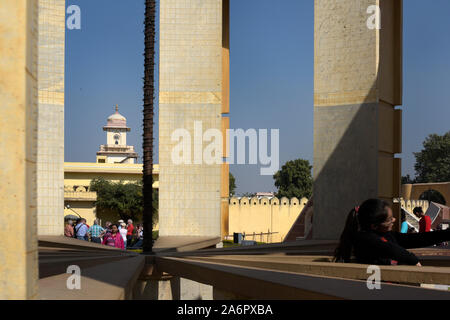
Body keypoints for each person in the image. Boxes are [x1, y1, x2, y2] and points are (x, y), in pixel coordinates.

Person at [334, 199, 450, 266]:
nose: (394, 220)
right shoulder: (364, 239)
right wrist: (413, 260)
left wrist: (446, 234)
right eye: (389, 219)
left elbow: (416, 239)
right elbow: (389, 248)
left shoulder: (387, 235)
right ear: (374, 225)